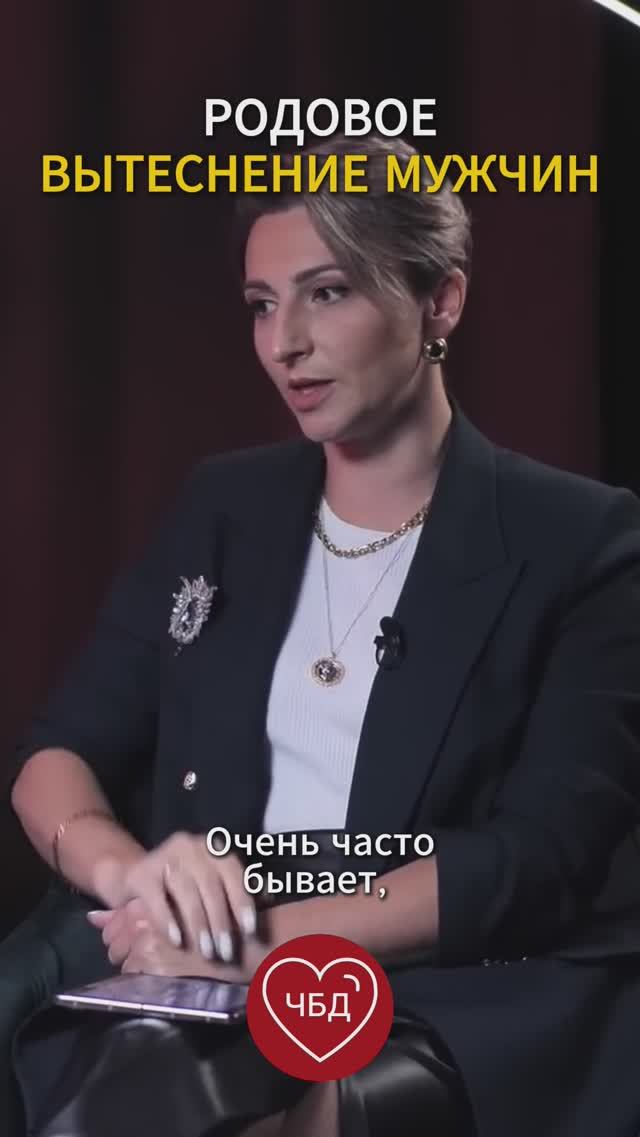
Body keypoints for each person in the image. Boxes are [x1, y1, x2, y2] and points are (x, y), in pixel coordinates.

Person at [7, 130, 640, 1137]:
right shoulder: (223, 507)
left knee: (184, 1096)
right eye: (262, 304)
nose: (283, 343)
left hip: (434, 974)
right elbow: (56, 754)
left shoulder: (583, 539)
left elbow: (540, 855)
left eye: (328, 292)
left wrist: (257, 941)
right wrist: (132, 876)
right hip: (168, 948)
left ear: (440, 302)